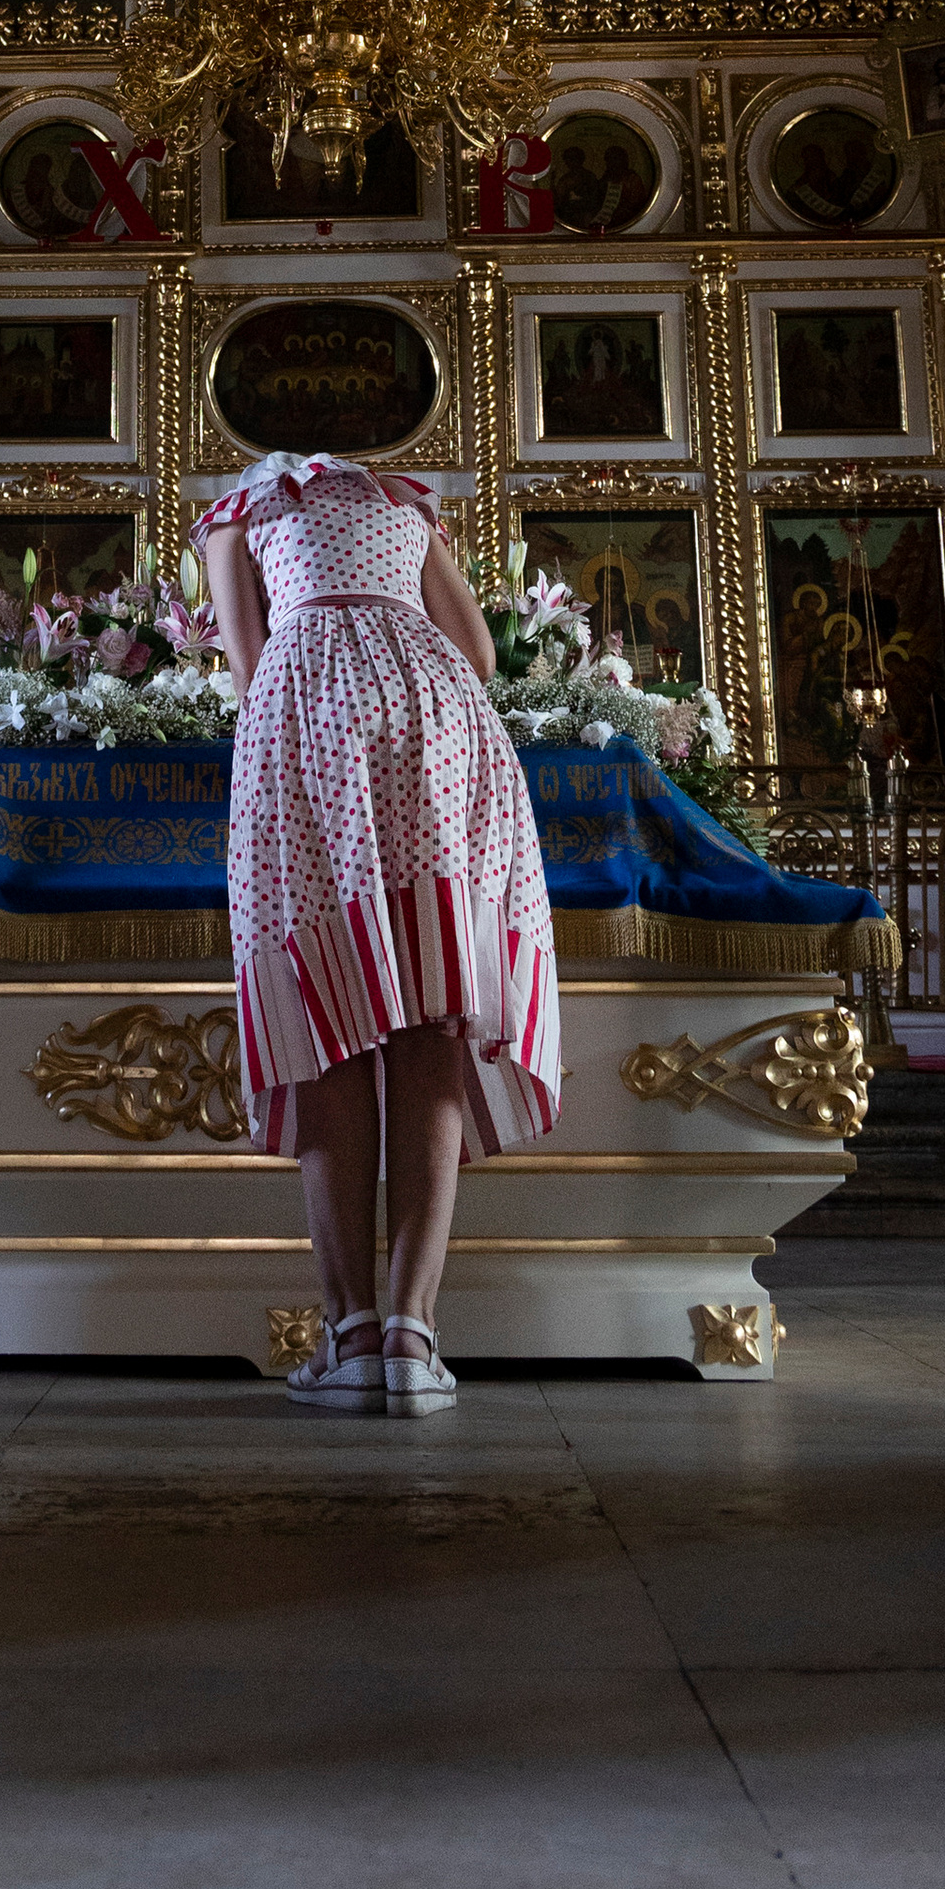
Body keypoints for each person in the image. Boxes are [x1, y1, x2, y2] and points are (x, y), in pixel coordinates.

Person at [199, 450, 558, 1411]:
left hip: (309, 716)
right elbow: (479, 652)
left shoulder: (240, 509)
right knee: (432, 1014)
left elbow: (244, 664)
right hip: (438, 726)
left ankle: (352, 1336)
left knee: (328, 1020)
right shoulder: (408, 501)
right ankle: (413, 1335)